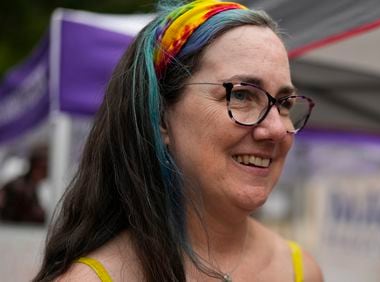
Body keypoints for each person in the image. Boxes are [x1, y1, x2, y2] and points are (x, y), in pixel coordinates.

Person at [34, 0, 323, 281]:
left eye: (284, 103)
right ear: (160, 118)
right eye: (241, 95)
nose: (275, 129)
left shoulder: (300, 271)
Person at [0, 144, 47, 224]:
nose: (47, 171)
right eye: (45, 167)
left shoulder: (30, 186)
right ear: (37, 167)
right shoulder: (19, 188)